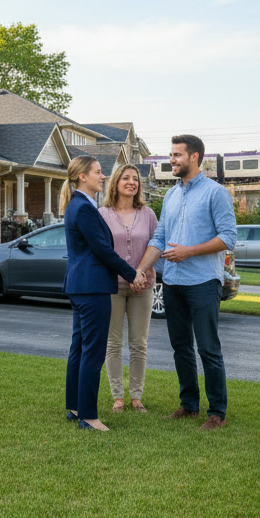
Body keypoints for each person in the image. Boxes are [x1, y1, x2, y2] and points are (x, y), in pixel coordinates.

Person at [136, 134, 237, 430]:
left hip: (204, 281)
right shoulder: (171, 195)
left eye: (177, 155)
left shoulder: (215, 193)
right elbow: (159, 238)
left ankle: (217, 412)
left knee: (208, 348)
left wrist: (188, 251)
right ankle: (189, 405)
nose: (171, 160)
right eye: (171, 155)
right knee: (180, 347)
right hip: (174, 282)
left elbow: (228, 238)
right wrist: (141, 270)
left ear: (194, 157)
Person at [61, 156, 147, 431]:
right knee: (92, 352)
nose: (103, 176)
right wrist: (132, 273)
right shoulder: (83, 208)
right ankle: (88, 415)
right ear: (82, 176)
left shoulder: (80, 205)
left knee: (79, 348)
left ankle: (74, 407)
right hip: (92, 287)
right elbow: (102, 250)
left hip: (82, 286)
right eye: (98, 172)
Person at [98, 164, 158, 413]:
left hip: (142, 288)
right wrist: (127, 274)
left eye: (135, 179)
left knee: (138, 343)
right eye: (126, 178)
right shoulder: (102, 214)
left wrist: (140, 275)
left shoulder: (148, 214)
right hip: (111, 286)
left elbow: (157, 245)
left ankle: (136, 397)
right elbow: (101, 250)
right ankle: (117, 398)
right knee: (112, 344)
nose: (132, 182)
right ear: (116, 182)